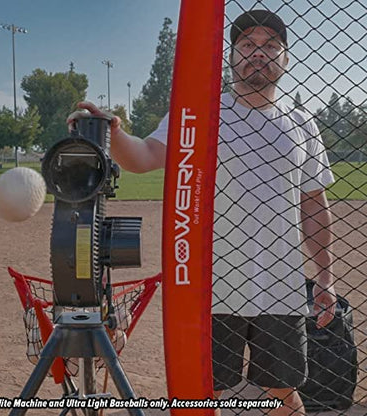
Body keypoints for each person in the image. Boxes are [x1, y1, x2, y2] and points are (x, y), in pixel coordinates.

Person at [68, 10, 337, 416]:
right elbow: (144, 157)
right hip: (211, 286)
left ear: (286, 60)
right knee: (204, 391)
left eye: (270, 46)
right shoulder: (197, 112)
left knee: (281, 390)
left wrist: (324, 278)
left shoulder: (302, 124)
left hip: (280, 282)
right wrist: (115, 133)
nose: (258, 53)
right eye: (247, 44)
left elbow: (314, 204)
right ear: (230, 56)